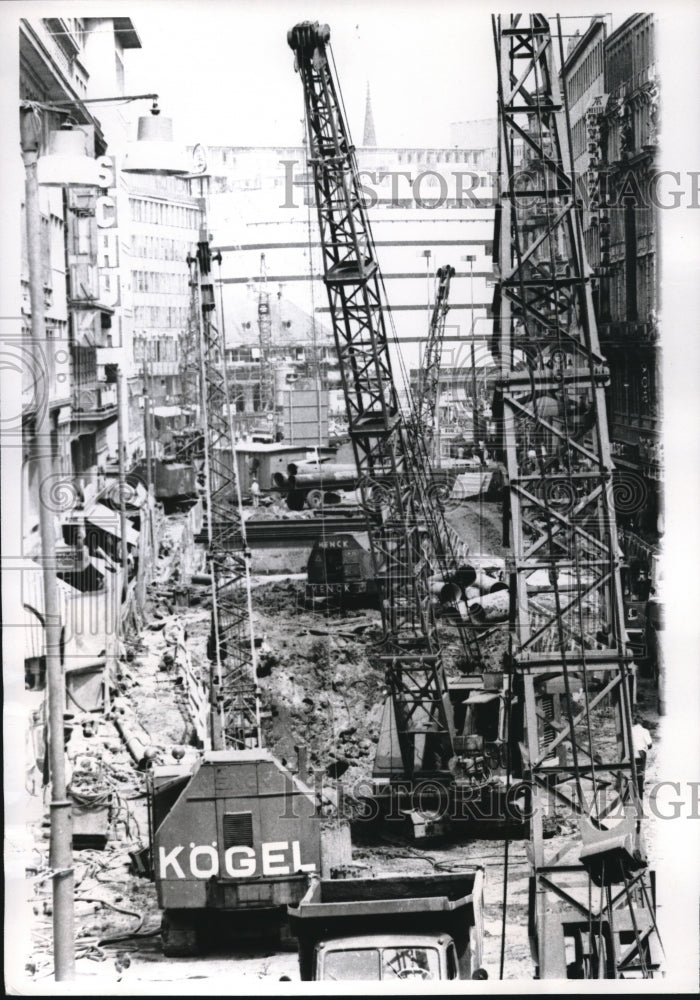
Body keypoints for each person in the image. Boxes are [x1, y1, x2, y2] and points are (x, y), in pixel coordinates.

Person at [631, 716, 652, 797]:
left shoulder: (630, 730)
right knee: (641, 770)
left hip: (631, 752)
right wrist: (648, 747)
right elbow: (649, 744)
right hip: (640, 752)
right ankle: (640, 789)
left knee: (631, 769)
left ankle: (632, 787)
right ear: (641, 723)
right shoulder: (644, 731)